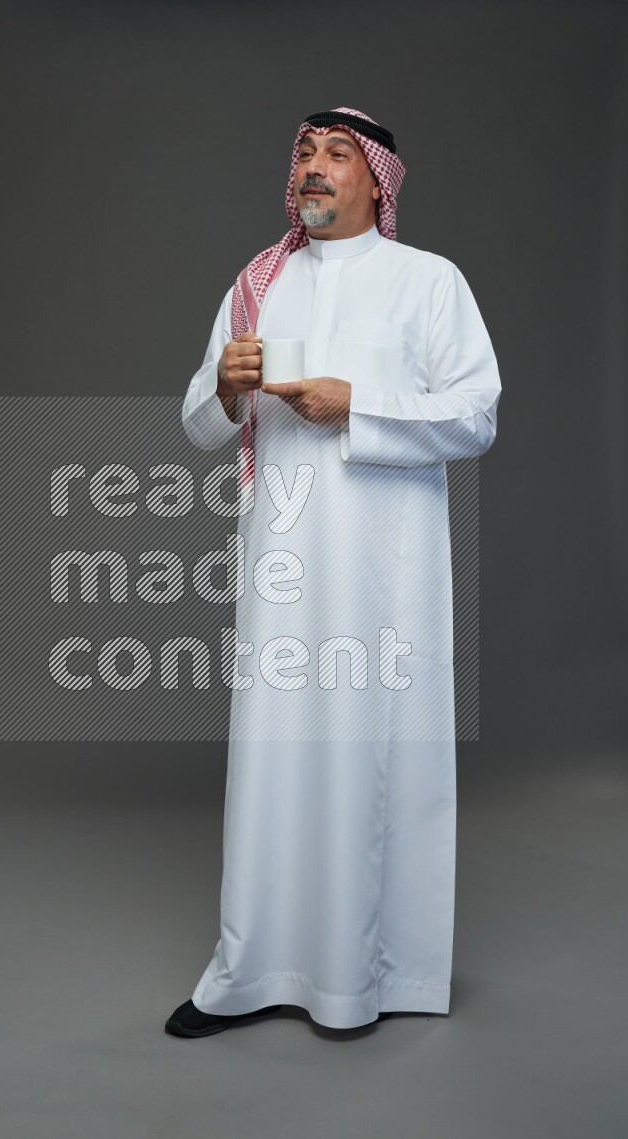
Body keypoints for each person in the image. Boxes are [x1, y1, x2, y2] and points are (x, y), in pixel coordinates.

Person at [165, 107, 501, 1038]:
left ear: (377, 180)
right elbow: (200, 424)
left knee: (370, 759)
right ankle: (251, 969)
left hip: (384, 575)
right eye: (305, 153)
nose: (314, 168)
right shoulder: (256, 284)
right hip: (281, 566)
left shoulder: (428, 282)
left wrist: (360, 405)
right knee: (275, 762)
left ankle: (363, 979)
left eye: (338, 154)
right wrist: (226, 387)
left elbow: (476, 416)